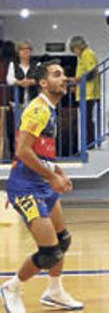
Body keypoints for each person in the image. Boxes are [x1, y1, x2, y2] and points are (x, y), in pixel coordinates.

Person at [0, 61, 83, 312]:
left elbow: (42, 152)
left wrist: (58, 172)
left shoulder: (50, 109)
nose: (64, 78)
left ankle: (54, 291)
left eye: (64, 74)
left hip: (42, 183)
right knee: (49, 253)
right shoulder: (38, 110)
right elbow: (22, 151)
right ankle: (11, 287)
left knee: (62, 241)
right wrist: (51, 177)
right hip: (26, 186)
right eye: (57, 75)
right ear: (44, 83)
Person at [68, 36, 100, 150]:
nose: (74, 52)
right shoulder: (81, 56)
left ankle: (89, 145)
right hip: (83, 93)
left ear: (79, 46)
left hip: (88, 93)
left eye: (74, 49)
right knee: (85, 120)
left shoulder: (87, 54)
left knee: (87, 121)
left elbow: (91, 72)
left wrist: (77, 80)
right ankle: (88, 144)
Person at [6, 41, 38, 106]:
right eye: (22, 49)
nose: (25, 51)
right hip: (16, 101)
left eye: (27, 49)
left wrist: (32, 82)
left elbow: (41, 79)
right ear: (18, 52)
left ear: (31, 51)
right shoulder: (13, 64)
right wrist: (20, 82)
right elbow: (9, 80)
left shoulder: (37, 64)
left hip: (34, 100)